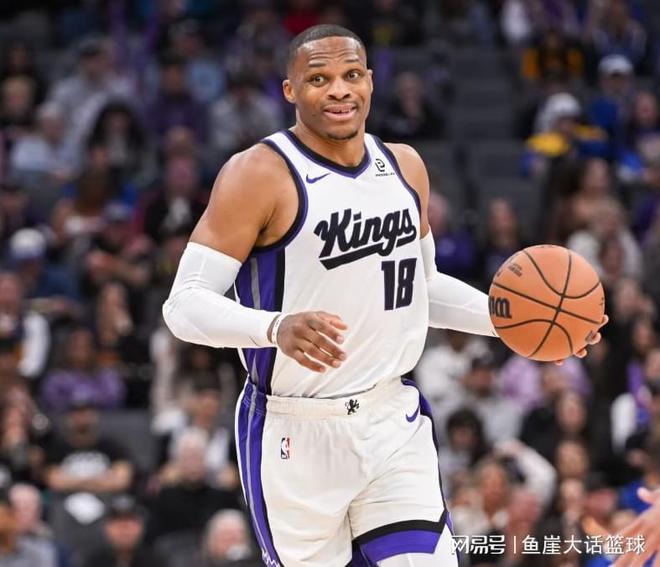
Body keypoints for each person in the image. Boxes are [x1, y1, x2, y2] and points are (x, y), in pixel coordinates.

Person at [162, 24, 604, 566]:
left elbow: (423, 287)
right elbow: (183, 304)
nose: (339, 90)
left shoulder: (403, 166)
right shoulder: (258, 173)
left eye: (351, 75)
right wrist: (273, 327)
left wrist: (519, 323)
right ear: (290, 90)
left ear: (370, 81)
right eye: (319, 79)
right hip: (296, 432)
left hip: (390, 420)